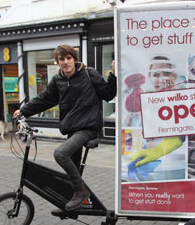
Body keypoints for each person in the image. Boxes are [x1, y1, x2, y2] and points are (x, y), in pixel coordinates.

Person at [13, 44, 117, 214]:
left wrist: (113, 75)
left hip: (88, 127)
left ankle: (82, 192)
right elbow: (44, 99)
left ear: (74, 59)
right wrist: (23, 111)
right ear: (58, 62)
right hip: (72, 129)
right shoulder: (58, 80)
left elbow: (108, 94)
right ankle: (74, 204)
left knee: (60, 154)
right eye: (62, 59)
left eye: (69, 58)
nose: (66, 62)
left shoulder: (88, 74)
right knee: (72, 170)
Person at [127, 55, 184, 175]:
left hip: (173, 165)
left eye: (166, 73)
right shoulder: (142, 103)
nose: (162, 79)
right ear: (149, 78)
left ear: (174, 77)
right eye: (156, 75)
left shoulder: (182, 102)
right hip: (147, 164)